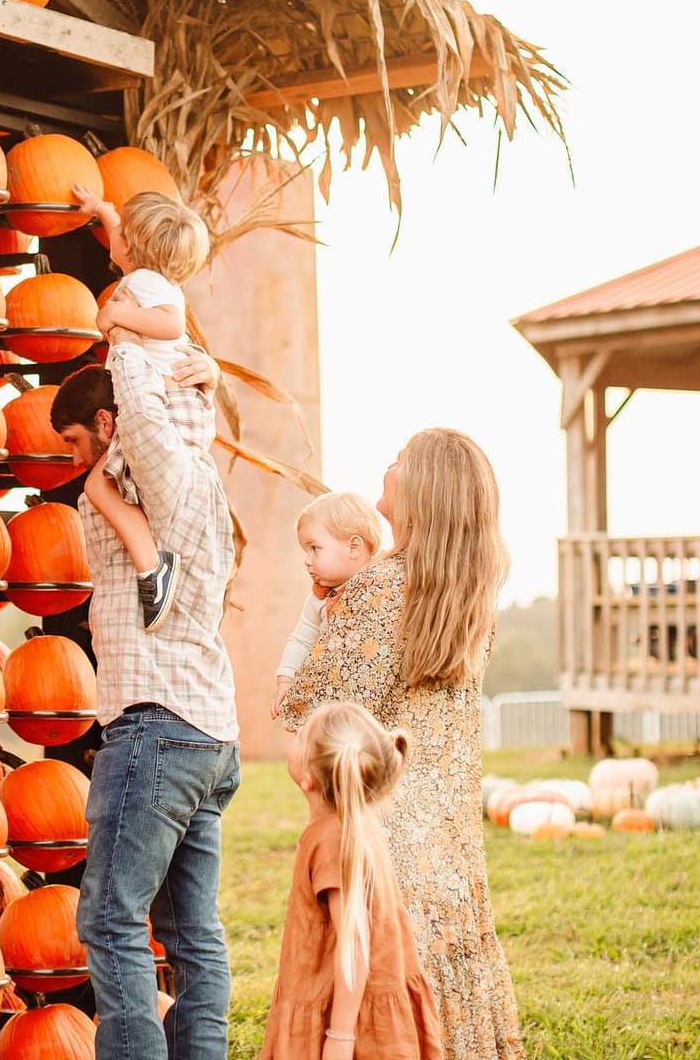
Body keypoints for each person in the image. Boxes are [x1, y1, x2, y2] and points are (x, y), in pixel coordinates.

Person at [279, 428, 524, 1059]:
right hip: (449, 839)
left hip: (378, 831)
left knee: (375, 1005)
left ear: (422, 488)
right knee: (443, 988)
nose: (387, 468)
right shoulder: (471, 599)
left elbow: (316, 720)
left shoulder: (377, 588)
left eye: (400, 460)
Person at [50, 329, 240, 1060]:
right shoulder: (197, 479)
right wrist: (202, 374)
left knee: (110, 919)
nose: (74, 459)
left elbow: (142, 383)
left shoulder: (145, 471)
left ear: (108, 422)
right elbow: (180, 414)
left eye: (76, 441)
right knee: (193, 932)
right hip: (210, 731)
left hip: (155, 725)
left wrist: (136, 342)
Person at [261, 701, 443, 1060]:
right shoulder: (355, 825)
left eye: (301, 736)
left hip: (350, 1019)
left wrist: (340, 1036)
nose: (293, 736)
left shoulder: (332, 840)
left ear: (310, 778)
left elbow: (354, 944)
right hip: (356, 1003)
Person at [74, 183, 211, 631]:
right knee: (106, 486)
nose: (113, 235)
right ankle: (153, 564)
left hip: (165, 408)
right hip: (176, 405)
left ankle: (153, 566)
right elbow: (122, 233)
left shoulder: (141, 283)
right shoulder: (152, 276)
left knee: (101, 488)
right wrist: (102, 209)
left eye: (121, 231)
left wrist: (116, 316)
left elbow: (171, 325)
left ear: (131, 247)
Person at [272, 492, 381, 719]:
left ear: (353, 548)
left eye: (314, 548)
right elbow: (301, 639)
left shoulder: (382, 588)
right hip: (331, 702)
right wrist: (285, 678)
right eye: (306, 551)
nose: (306, 560)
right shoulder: (318, 599)